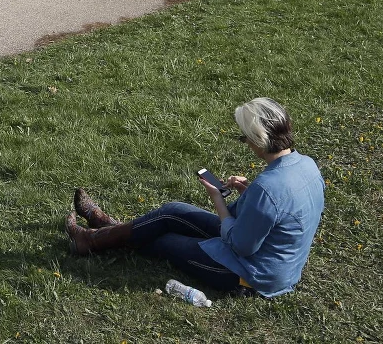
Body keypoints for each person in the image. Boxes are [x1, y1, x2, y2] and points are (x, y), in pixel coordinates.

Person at [65, 98, 325, 298]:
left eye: (245, 137)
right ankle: (102, 231)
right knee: (172, 211)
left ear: (258, 139)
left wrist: (218, 200)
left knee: (162, 239)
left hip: (251, 276)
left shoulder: (268, 188)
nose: (245, 143)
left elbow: (240, 245)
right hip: (273, 262)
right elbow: (275, 214)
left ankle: (94, 239)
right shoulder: (306, 165)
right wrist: (248, 192)